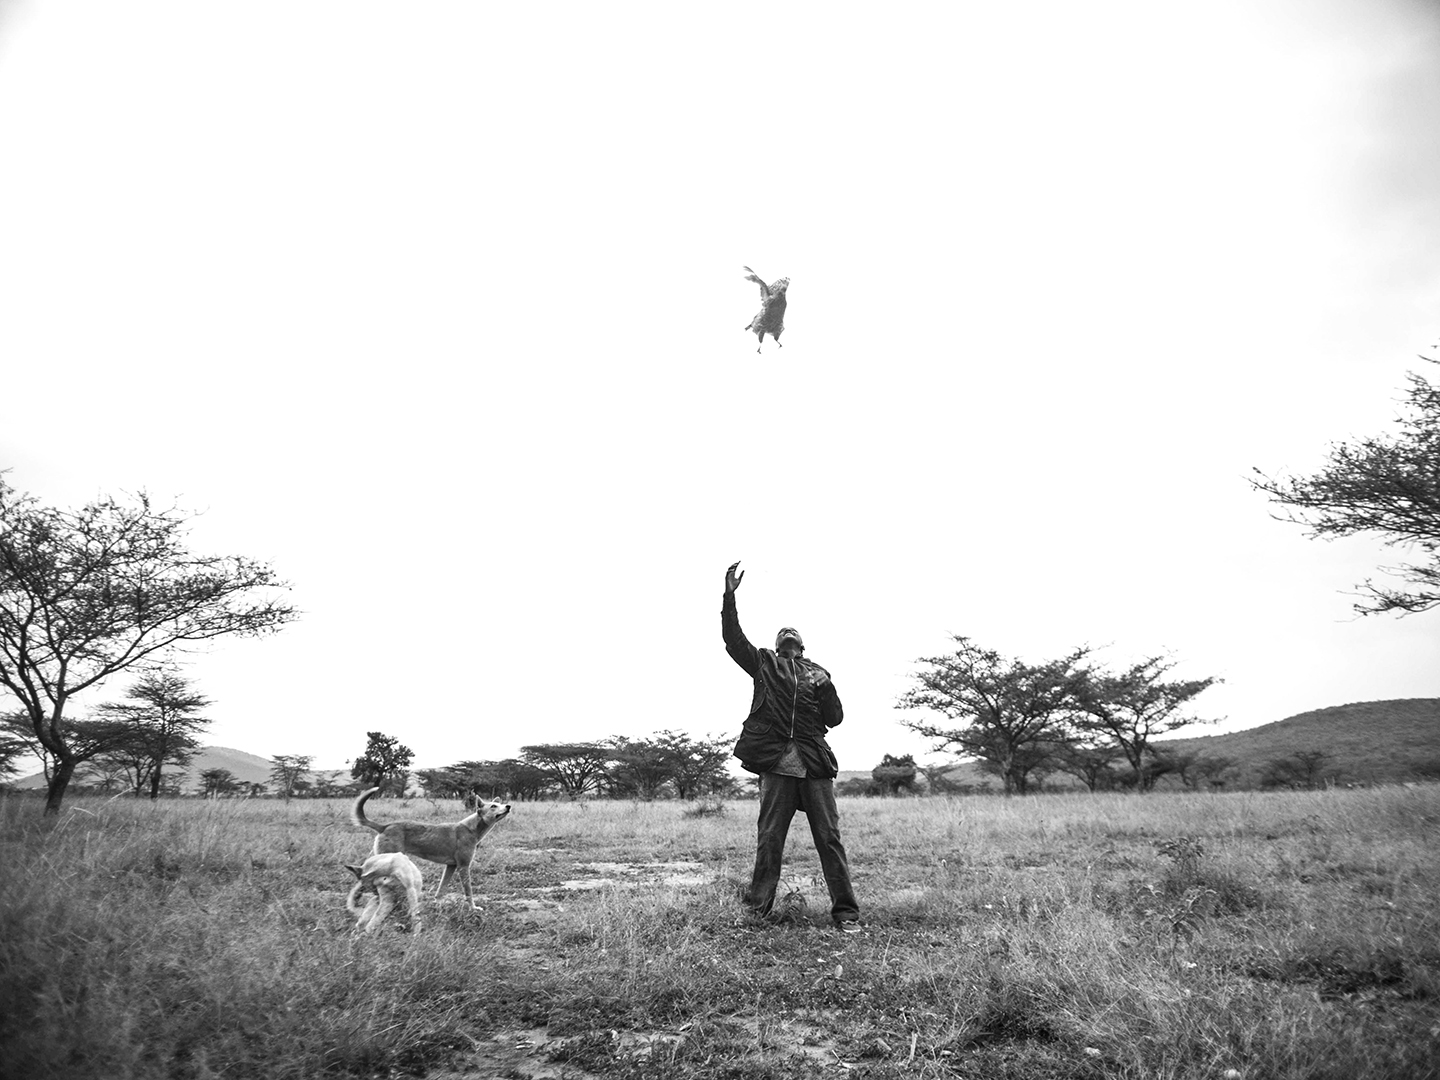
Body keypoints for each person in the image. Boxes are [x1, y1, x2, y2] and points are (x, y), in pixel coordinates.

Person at [721, 560, 860, 932]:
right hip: (777, 765)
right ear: (778, 644)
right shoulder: (764, 664)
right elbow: (733, 640)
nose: (788, 635)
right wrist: (729, 598)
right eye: (783, 633)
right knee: (769, 839)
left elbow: (835, 719)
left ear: (801, 647)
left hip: (814, 766)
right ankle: (758, 911)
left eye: (793, 634)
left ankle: (846, 914)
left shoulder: (819, 673)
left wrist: (828, 688)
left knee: (829, 839)